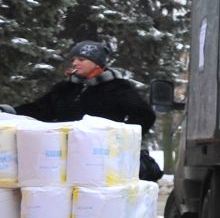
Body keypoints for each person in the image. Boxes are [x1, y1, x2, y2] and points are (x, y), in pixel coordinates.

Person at [18, 40, 163, 180]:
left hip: (101, 160)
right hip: (63, 158)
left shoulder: (117, 87)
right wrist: (10, 111)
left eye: (81, 59)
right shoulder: (65, 88)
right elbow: (39, 110)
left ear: (96, 63)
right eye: (74, 59)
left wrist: (121, 138)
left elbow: (145, 115)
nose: (75, 63)